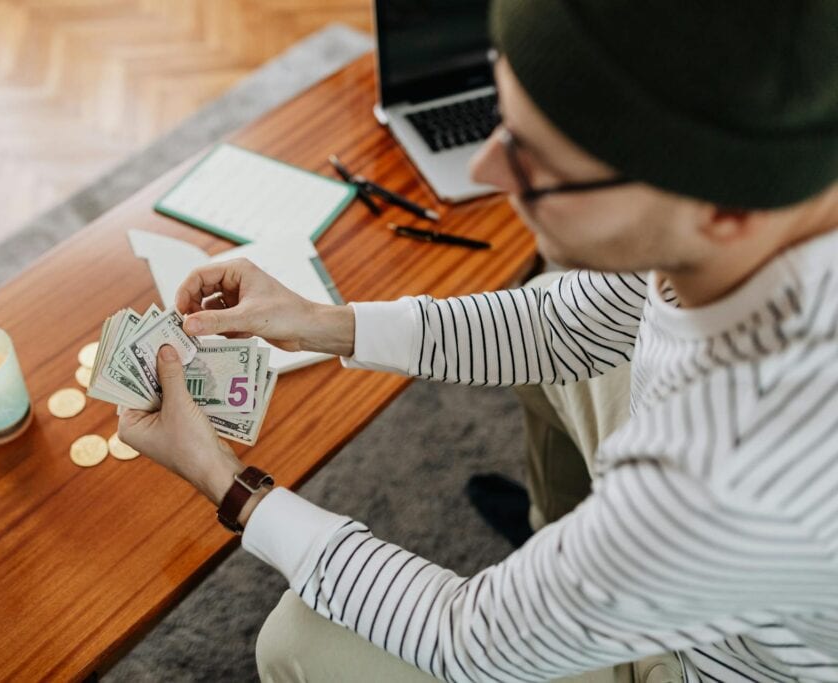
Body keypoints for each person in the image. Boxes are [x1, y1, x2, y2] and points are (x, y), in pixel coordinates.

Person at [117, 1, 838, 680]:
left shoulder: (731, 467)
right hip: (718, 542)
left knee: (295, 638)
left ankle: (584, 582)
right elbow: (563, 323)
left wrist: (228, 481)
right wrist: (322, 321)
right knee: (553, 327)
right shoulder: (763, 189)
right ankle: (562, 547)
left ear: (722, 211)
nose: (483, 171)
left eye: (535, 164)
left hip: (705, 661)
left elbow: (469, 637)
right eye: (504, 123)